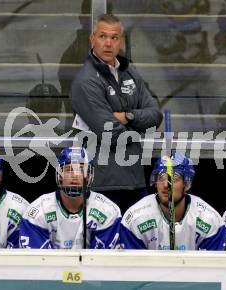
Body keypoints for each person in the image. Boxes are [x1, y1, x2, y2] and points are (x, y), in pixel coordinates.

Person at [71, 14, 163, 212]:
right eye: (103, 36)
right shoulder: (85, 81)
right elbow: (110, 134)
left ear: (121, 41)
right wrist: (138, 125)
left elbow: (155, 116)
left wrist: (127, 116)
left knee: (135, 242)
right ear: (92, 39)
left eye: (114, 38)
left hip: (136, 181)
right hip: (102, 185)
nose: (108, 43)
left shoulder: (130, 73)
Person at [19, 147, 121, 249]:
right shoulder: (38, 211)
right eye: (69, 170)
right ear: (59, 175)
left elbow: (102, 261)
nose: (75, 175)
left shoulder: (107, 211)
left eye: (81, 170)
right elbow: (38, 261)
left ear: (89, 176)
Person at [120, 153, 226, 250]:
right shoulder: (136, 218)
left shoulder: (209, 219)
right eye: (161, 178)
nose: (166, 184)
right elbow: (132, 268)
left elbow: (213, 268)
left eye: (174, 178)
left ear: (187, 184)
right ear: (155, 183)